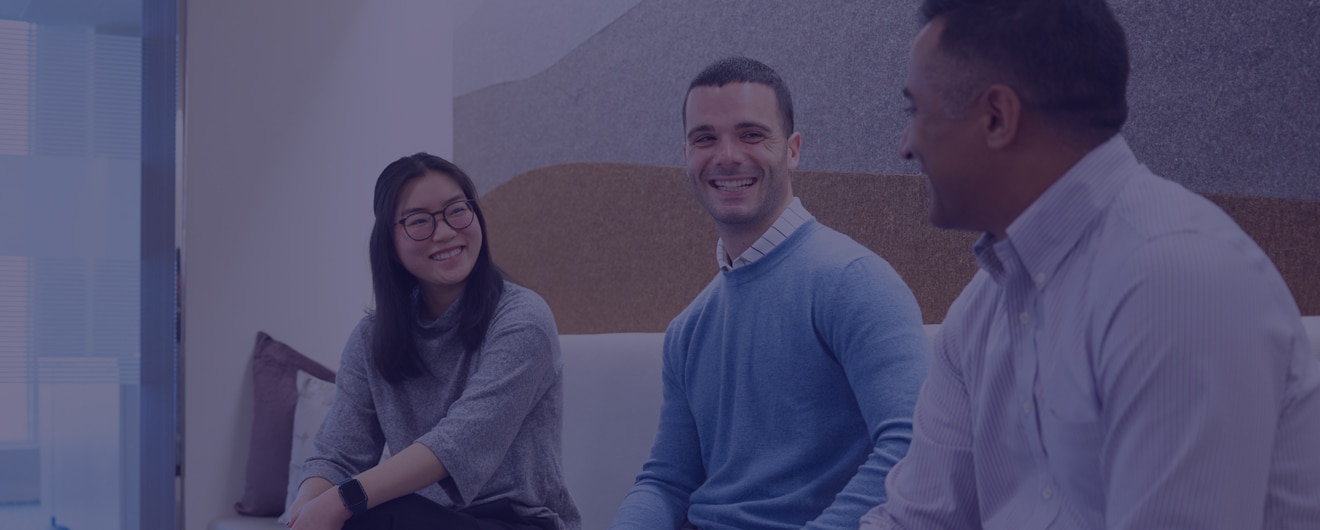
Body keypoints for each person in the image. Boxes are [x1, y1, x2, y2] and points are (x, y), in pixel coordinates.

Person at [861, 0, 1320, 528]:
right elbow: (916, 519)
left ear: (996, 117)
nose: (904, 146)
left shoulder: (1176, 278)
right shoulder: (984, 308)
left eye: (915, 111)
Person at [610, 57, 931, 530]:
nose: (727, 156)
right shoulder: (688, 329)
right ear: (686, 156)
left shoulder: (855, 281)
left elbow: (912, 448)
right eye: (705, 139)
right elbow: (667, 481)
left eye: (751, 134)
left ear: (793, 150)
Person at [286, 153, 580, 530]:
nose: (444, 232)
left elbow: (457, 444)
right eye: (419, 221)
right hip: (420, 520)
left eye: (456, 210)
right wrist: (305, 510)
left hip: (518, 522)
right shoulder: (371, 338)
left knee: (373, 517)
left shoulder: (523, 319)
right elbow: (337, 455)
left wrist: (341, 501)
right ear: (389, 242)